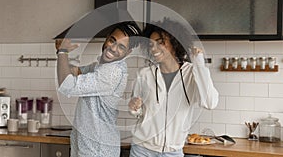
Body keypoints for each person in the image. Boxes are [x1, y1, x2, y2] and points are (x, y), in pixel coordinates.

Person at [128, 18, 219, 157]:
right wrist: (134, 107)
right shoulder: (144, 74)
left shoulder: (192, 74)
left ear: (174, 43)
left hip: (173, 152)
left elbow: (210, 102)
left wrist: (199, 63)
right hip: (142, 149)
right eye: (151, 44)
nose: (154, 48)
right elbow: (138, 111)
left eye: (160, 43)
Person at [56, 21, 141, 157]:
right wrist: (62, 54)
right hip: (87, 145)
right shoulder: (101, 67)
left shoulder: (112, 72)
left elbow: (67, 85)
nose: (113, 48)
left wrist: (62, 52)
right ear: (107, 37)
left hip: (98, 149)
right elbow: (75, 71)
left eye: (121, 47)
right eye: (112, 41)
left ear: (128, 52)